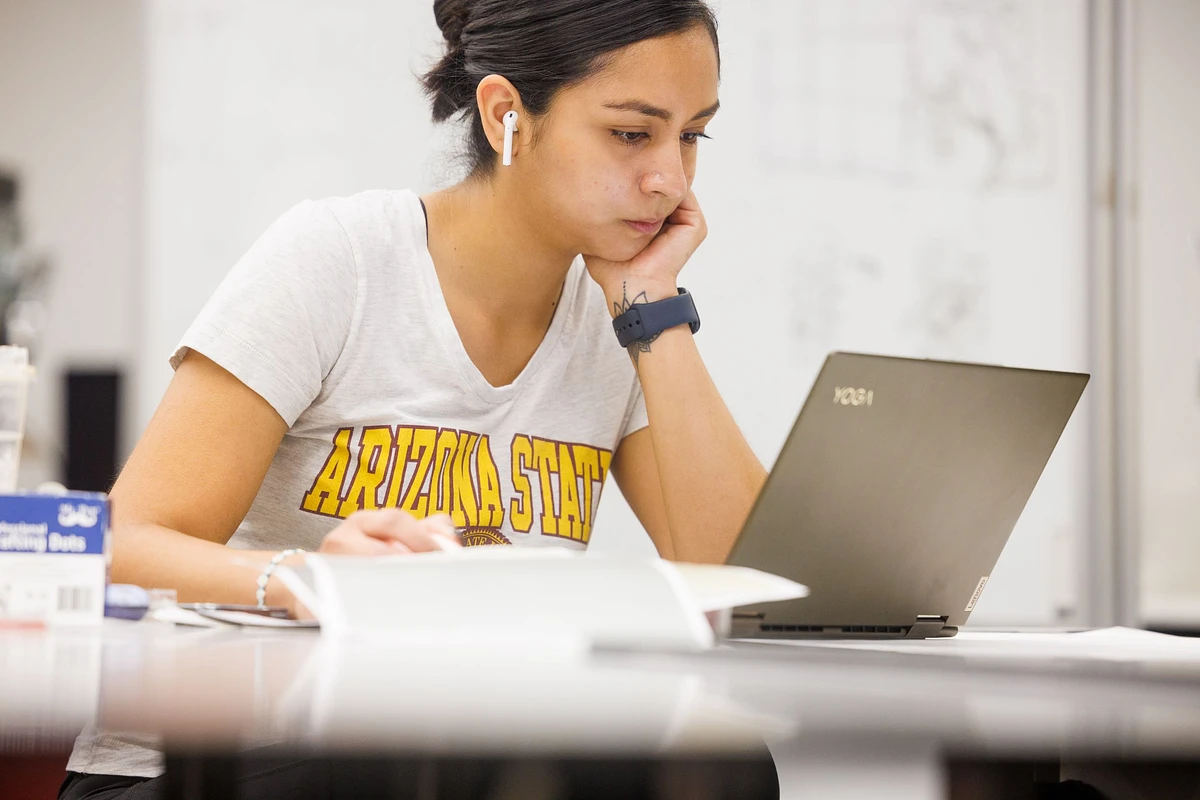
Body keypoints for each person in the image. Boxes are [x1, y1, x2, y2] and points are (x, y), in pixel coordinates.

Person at [60, 0, 766, 796]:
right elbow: (122, 544)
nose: (669, 179)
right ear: (506, 115)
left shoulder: (618, 320)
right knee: (424, 754)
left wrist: (655, 313)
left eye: (692, 135)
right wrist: (315, 585)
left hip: (446, 756)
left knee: (727, 764)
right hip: (207, 766)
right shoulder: (341, 261)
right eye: (632, 133)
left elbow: (749, 583)